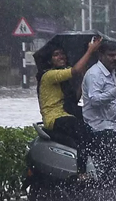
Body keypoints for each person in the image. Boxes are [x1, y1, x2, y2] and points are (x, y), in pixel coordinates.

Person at [37, 37, 101, 172]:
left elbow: (74, 100)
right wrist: (90, 50)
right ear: (50, 60)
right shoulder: (49, 75)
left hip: (65, 114)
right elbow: (75, 70)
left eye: (62, 53)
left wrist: (83, 79)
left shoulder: (62, 80)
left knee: (93, 127)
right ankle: (82, 173)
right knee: (84, 132)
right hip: (55, 118)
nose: (61, 57)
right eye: (56, 55)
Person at [82, 43, 116, 201]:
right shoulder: (95, 74)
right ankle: (114, 198)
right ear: (101, 55)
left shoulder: (111, 73)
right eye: (111, 55)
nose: (115, 58)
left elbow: (112, 101)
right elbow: (95, 100)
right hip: (99, 127)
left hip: (113, 125)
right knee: (115, 161)